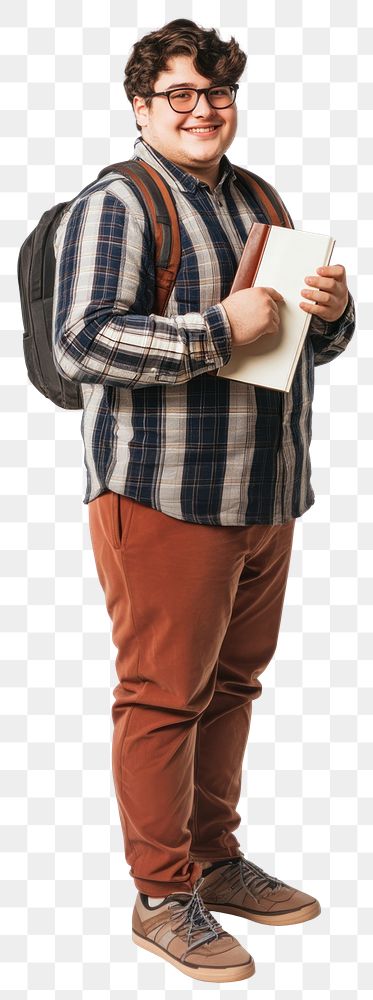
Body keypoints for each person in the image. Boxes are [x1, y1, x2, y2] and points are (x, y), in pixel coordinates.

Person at [52, 18, 356, 984]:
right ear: (142, 105)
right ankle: (161, 893)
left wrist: (332, 315)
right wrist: (214, 330)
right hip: (164, 495)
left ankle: (215, 861)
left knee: (232, 687)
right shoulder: (121, 202)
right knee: (162, 696)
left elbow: (300, 344)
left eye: (214, 92)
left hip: (265, 488)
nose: (200, 110)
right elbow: (81, 343)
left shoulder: (258, 195)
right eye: (178, 94)